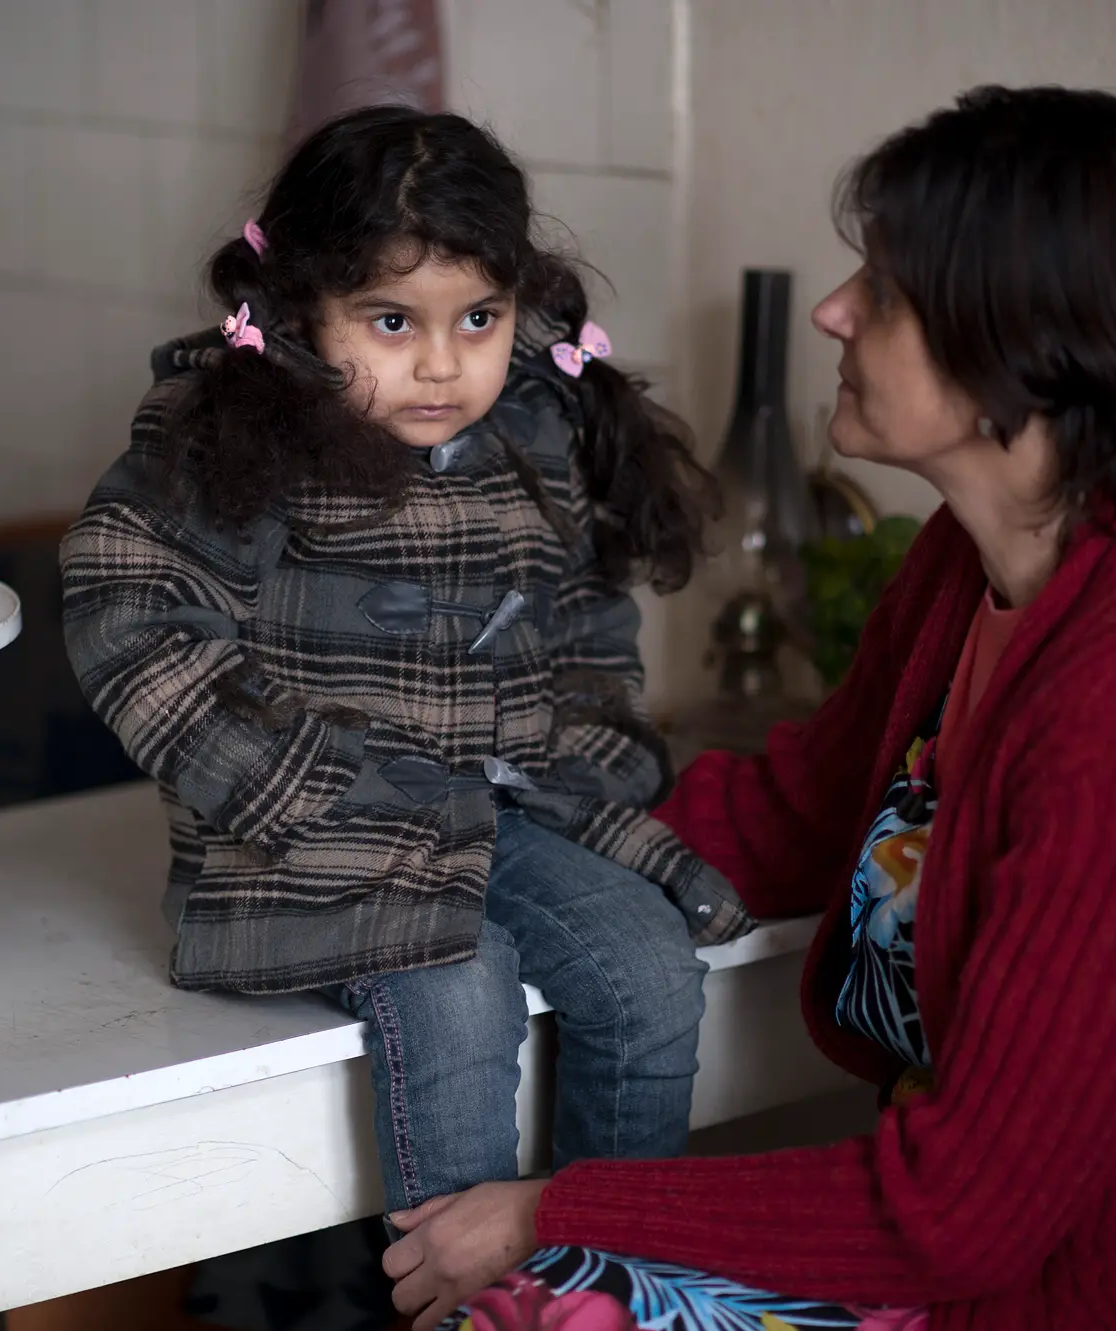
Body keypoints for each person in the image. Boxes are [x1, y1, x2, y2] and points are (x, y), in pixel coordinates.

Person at [384, 84, 1116, 1331]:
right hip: (1003, 1253)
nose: (831, 309)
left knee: (524, 1305)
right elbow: (796, 813)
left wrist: (552, 1207)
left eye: (879, 292)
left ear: (1019, 356)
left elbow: (954, 1210)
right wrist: (468, 835)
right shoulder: (979, 560)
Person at [60, 105, 751, 1232]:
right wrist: (292, 787)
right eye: (390, 321)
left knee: (649, 963)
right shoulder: (232, 430)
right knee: (460, 988)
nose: (440, 363)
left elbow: (585, 612)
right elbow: (128, 614)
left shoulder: (536, 423)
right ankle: (461, 1293)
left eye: (478, 318)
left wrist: (586, 757)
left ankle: (611, 1274)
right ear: (301, 308)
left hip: (501, 814)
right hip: (308, 843)